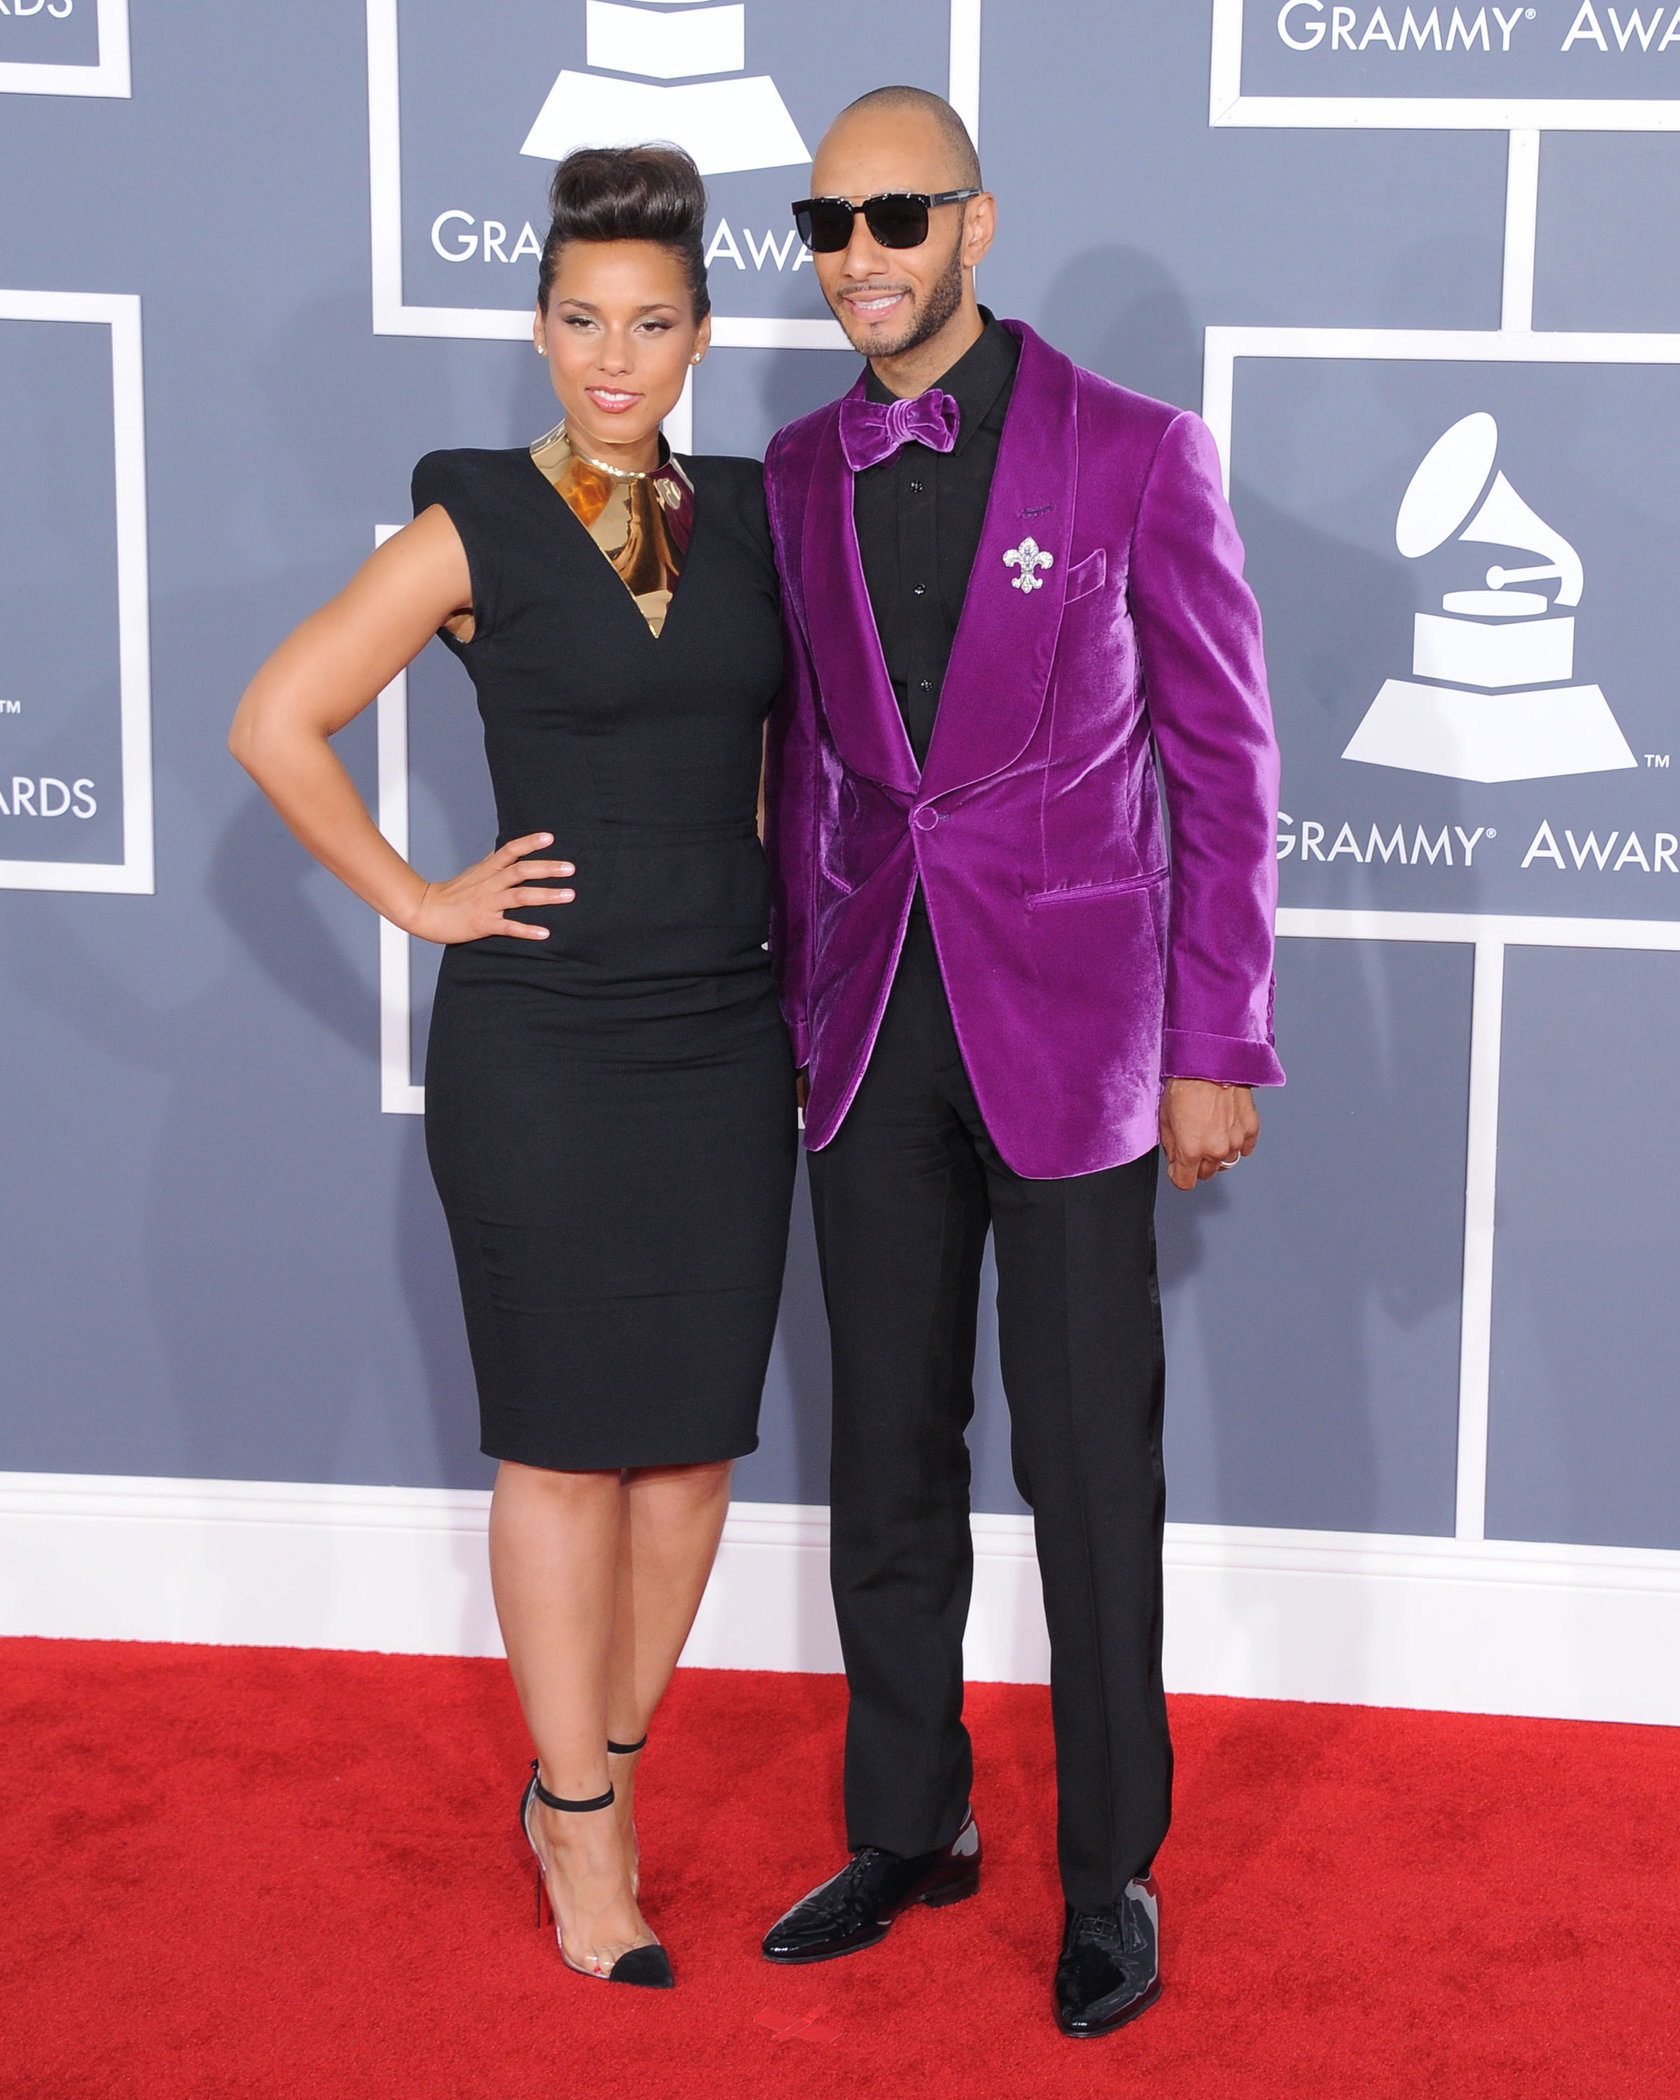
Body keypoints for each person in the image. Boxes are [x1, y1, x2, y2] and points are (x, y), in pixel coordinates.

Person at [230, 145, 796, 1990]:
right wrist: (420, 898)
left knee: (695, 1455)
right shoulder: (472, 514)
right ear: (537, 329)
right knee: (564, 1452)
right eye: (577, 323)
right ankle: (587, 1832)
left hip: (726, 1031)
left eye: (647, 325)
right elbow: (276, 718)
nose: (610, 359)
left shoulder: (764, 516)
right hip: (543, 1045)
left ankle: (590, 1783)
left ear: (701, 335)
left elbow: (791, 772)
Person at [758, 88, 1284, 2037]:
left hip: (1077, 1033)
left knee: (1084, 1468)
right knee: (883, 1452)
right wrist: (791, 1004)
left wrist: (1219, 1036)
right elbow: (806, 763)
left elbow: (1228, 770)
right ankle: (910, 1823)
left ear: (979, 222)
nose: (861, 255)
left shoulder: (1137, 454)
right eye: (826, 224)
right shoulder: (800, 468)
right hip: (870, 1020)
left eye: (896, 213)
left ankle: (1108, 1871)